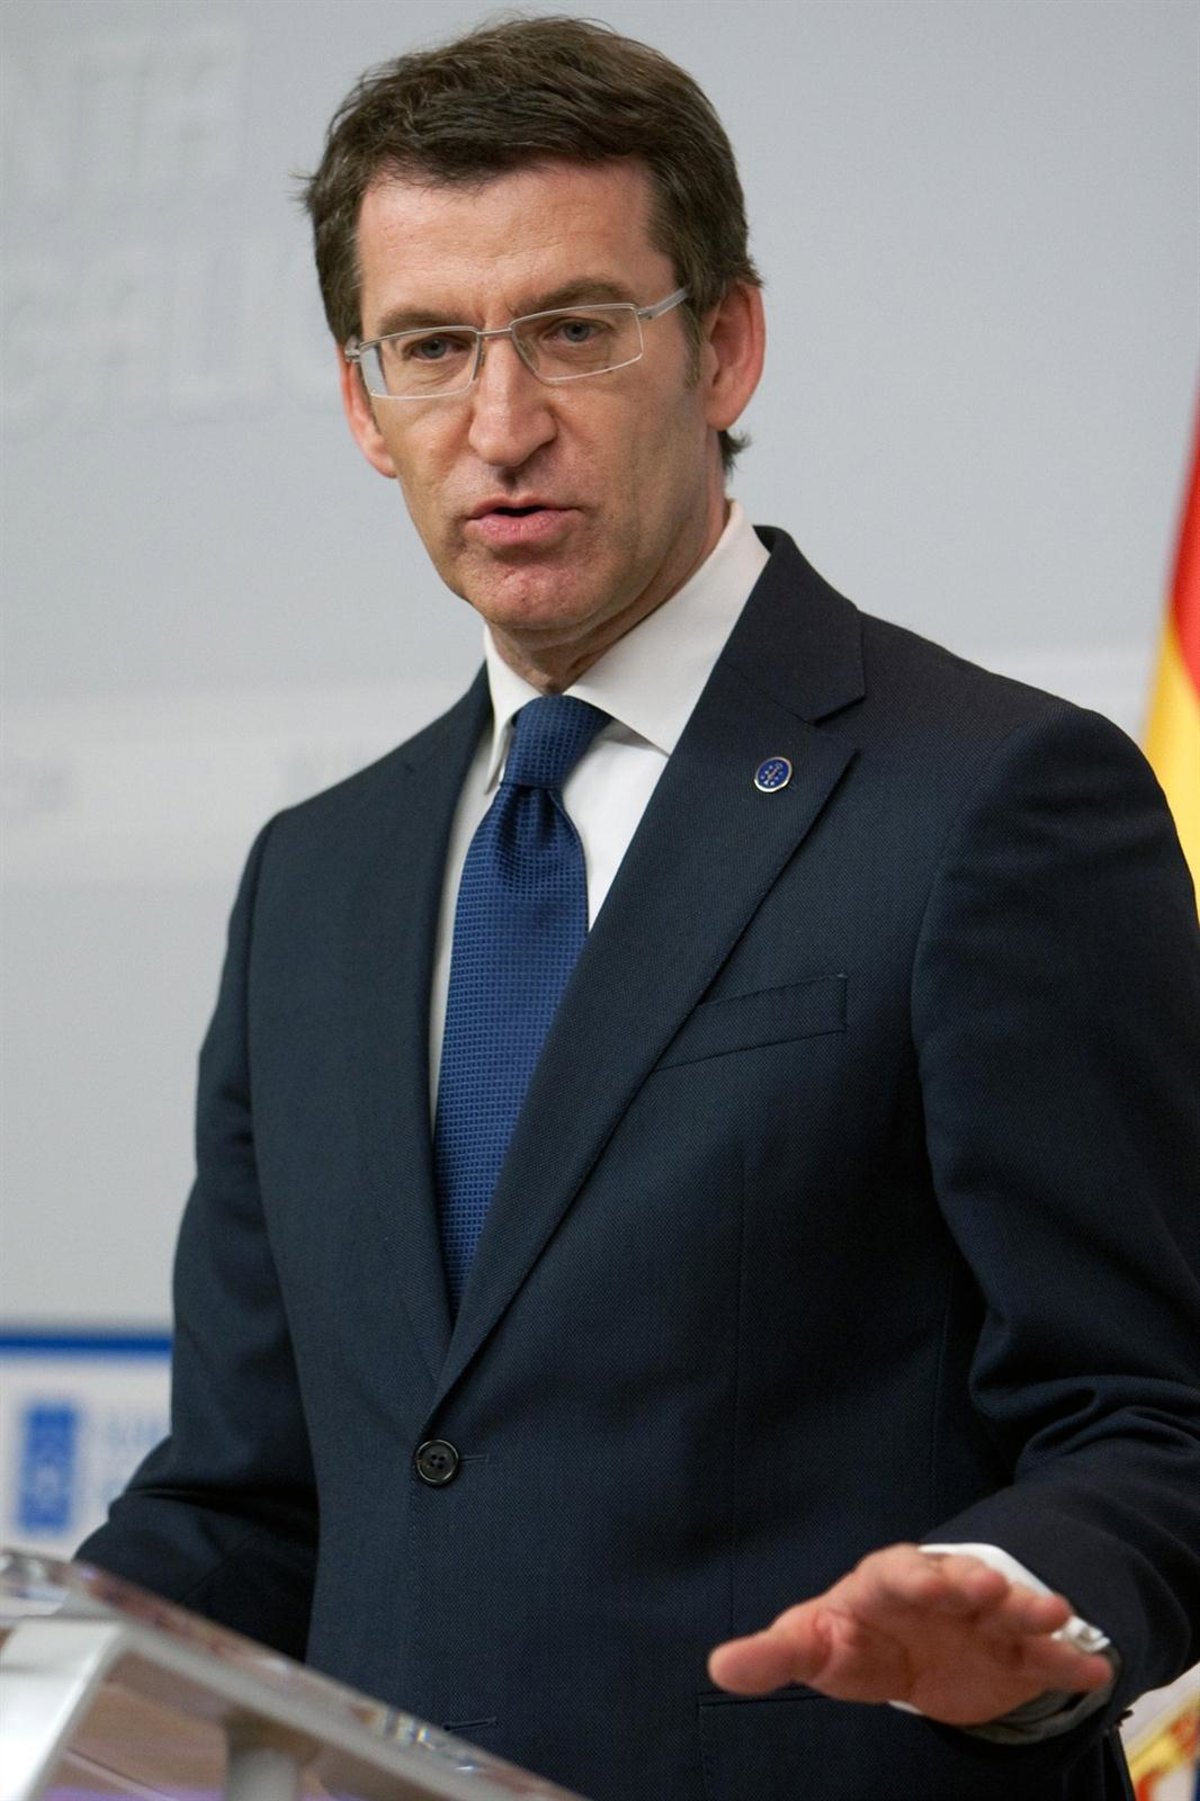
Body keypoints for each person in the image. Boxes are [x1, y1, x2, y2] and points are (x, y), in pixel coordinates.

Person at [78, 17, 1200, 1801]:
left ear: (724, 344)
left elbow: (1154, 1415)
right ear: (363, 404)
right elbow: (249, 1497)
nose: (501, 425)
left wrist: (1009, 1604)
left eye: (577, 329)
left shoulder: (995, 800)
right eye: (432, 347)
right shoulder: (315, 877)